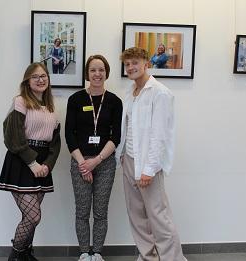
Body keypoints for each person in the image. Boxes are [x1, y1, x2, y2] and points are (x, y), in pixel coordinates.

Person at [117, 47, 187, 261]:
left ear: (146, 63)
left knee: (158, 216)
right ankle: (148, 256)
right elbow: (127, 128)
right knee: (137, 215)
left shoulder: (160, 93)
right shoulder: (130, 91)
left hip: (148, 165)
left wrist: (149, 169)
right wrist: (121, 156)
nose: (130, 67)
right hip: (128, 160)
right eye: (127, 64)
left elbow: (160, 135)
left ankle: (172, 258)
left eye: (135, 62)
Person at [0, 62, 61, 261]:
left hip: (43, 166)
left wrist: (47, 166)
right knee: (34, 216)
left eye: (43, 76)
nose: (40, 79)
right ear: (27, 81)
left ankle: (26, 254)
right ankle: (15, 255)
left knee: (30, 218)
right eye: (35, 77)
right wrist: (32, 164)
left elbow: (55, 143)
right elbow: (12, 137)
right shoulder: (20, 101)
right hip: (22, 163)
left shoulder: (51, 107)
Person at [65, 55, 123, 261]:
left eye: (101, 70)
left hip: (105, 162)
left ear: (106, 72)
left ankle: (97, 252)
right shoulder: (76, 99)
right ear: (87, 73)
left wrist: (96, 161)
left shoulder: (115, 101)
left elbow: (115, 137)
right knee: (82, 211)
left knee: (100, 211)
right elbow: (69, 135)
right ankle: (83, 253)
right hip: (80, 161)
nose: (97, 74)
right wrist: (83, 164)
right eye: (93, 70)